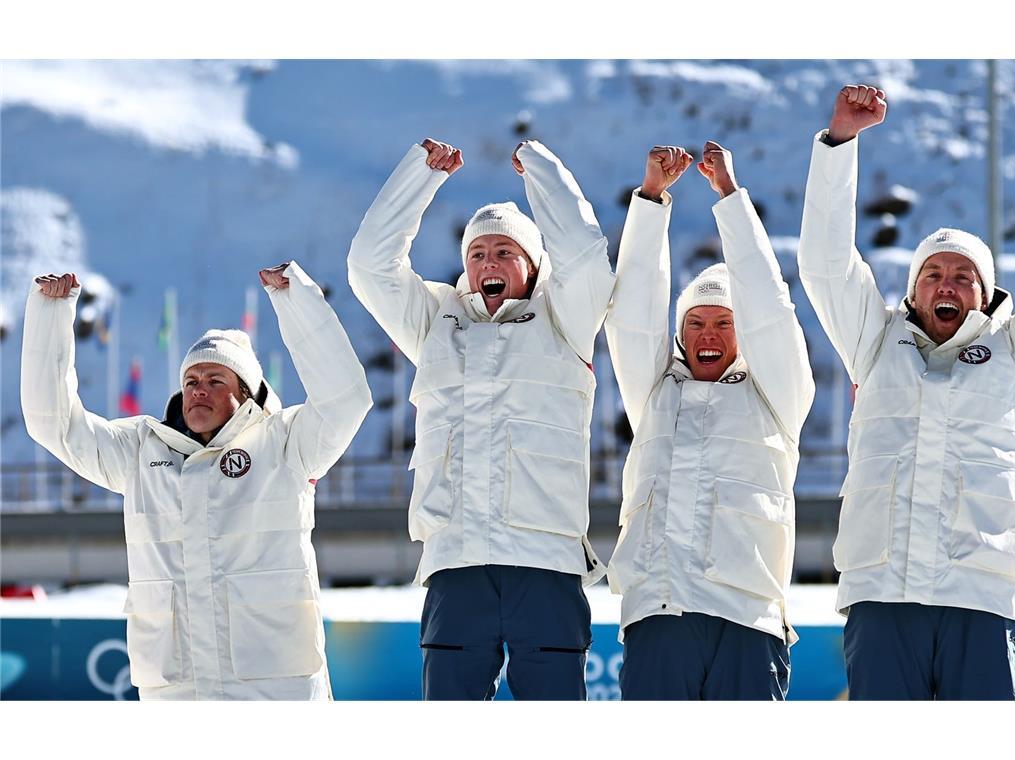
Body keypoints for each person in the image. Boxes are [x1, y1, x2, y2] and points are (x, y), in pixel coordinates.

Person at [797, 85, 1015, 700]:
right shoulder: (873, 342)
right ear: (913, 292)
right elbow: (826, 263)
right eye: (933, 274)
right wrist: (839, 143)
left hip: (982, 598)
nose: (948, 284)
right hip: (883, 595)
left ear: (986, 292)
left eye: (963, 277)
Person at [21, 262, 373, 700]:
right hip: (177, 691)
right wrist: (50, 317)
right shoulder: (140, 450)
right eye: (190, 380)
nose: (198, 389)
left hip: (275, 689)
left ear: (246, 392)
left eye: (214, 379)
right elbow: (51, 424)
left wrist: (296, 301)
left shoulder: (287, 443)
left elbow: (347, 399)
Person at [347, 138, 614, 700]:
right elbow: (369, 266)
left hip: (544, 560)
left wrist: (541, 171)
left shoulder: (566, 318)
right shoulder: (436, 322)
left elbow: (586, 255)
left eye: (504, 252)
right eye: (477, 254)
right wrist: (419, 175)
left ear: (533, 265)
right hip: (455, 559)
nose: (488, 263)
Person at [605, 142, 814, 700]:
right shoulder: (653, 393)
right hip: (658, 613)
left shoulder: (776, 396)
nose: (709, 335)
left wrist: (729, 199)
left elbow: (770, 308)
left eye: (725, 322)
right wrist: (650, 201)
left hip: (746, 620)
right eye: (695, 322)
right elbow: (631, 315)